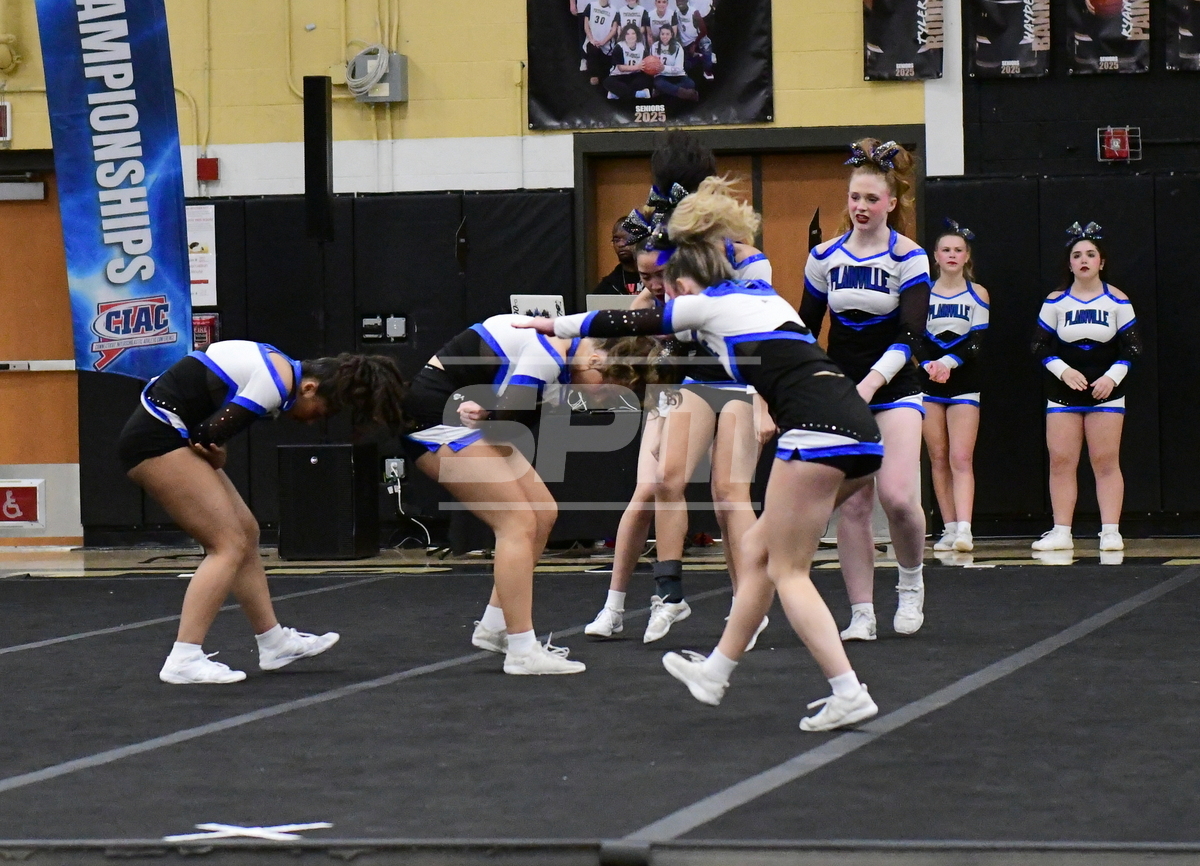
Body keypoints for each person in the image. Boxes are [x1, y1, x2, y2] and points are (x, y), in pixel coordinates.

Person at [520, 232, 884, 732]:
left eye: (671, 285)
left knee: (788, 570)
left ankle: (847, 690)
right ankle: (715, 672)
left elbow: (628, 322)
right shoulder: (757, 291)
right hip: (858, 428)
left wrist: (552, 324)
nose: (668, 295)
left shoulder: (707, 305)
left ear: (689, 281)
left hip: (819, 428)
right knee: (757, 549)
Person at [117, 341, 406, 684]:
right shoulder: (277, 380)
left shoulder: (276, 366)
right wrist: (216, 449)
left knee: (246, 531)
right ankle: (184, 657)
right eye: (321, 412)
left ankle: (273, 642)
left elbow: (212, 428)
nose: (314, 422)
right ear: (309, 388)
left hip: (169, 432)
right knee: (228, 544)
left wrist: (216, 448)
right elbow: (209, 434)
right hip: (156, 437)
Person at [402, 315, 659, 675]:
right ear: (595, 361)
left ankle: (495, 627)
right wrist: (491, 415)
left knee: (543, 512)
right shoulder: (548, 351)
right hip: (432, 418)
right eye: (606, 388)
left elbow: (514, 418)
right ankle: (522, 650)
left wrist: (491, 413)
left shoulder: (564, 361)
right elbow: (509, 420)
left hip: (461, 414)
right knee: (518, 522)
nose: (600, 398)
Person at [800, 138, 930, 642]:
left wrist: (872, 382)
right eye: (855, 197)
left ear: (891, 203)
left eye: (872, 199)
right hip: (844, 388)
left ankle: (911, 582)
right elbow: (806, 327)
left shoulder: (909, 257)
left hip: (894, 386)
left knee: (897, 497)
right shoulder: (824, 256)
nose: (861, 207)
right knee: (853, 504)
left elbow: (912, 335)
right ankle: (861, 612)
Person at [1030, 222, 1141, 552]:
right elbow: (1038, 345)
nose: (1083, 260)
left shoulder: (1117, 300)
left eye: (1090, 254)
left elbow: (1133, 347)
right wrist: (1063, 371)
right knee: (1061, 461)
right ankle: (1061, 531)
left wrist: (1112, 377)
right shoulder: (1056, 301)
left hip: (1105, 391)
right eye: (1077, 255)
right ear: (1069, 264)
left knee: (1105, 461)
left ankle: (1110, 531)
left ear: (1101, 262)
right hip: (1064, 391)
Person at [920, 220, 989, 554]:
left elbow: (976, 341)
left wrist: (947, 363)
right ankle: (948, 528)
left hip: (963, 379)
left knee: (961, 456)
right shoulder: (923, 293)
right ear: (935, 256)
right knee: (938, 456)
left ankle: (965, 528)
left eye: (957, 250)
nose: (951, 255)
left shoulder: (978, 294)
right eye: (945, 250)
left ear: (966, 256)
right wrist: (928, 365)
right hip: (929, 379)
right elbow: (913, 336)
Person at [594, 212, 644, 294]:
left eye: (628, 238)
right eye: (616, 240)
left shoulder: (657, 280)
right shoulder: (608, 286)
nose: (621, 244)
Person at [651, 22, 698, 102]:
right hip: (661, 75)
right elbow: (652, 65)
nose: (664, 36)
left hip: (677, 75)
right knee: (658, 83)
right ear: (659, 35)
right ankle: (685, 93)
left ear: (671, 35)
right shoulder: (654, 46)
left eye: (667, 34)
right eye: (662, 34)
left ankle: (664, 91)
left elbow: (679, 69)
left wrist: (664, 68)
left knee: (690, 84)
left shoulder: (677, 46)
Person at [582, 0, 619, 85]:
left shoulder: (614, 10)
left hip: (607, 45)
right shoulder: (591, 6)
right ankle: (593, 75)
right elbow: (586, 26)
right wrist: (591, 39)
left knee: (605, 72)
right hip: (593, 41)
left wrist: (603, 41)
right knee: (593, 50)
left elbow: (614, 30)